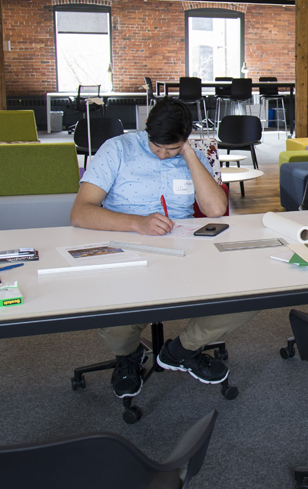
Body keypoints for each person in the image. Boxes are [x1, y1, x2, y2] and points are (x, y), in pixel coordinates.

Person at [70, 97, 256, 399]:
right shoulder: (117, 150)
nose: (162, 155)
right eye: (157, 147)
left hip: (185, 252)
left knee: (250, 293)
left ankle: (182, 349)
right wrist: (136, 223)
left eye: (171, 148)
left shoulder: (190, 153)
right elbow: (80, 212)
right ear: (146, 130)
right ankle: (128, 355)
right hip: (126, 246)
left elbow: (215, 209)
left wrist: (187, 152)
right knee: (113, 317)